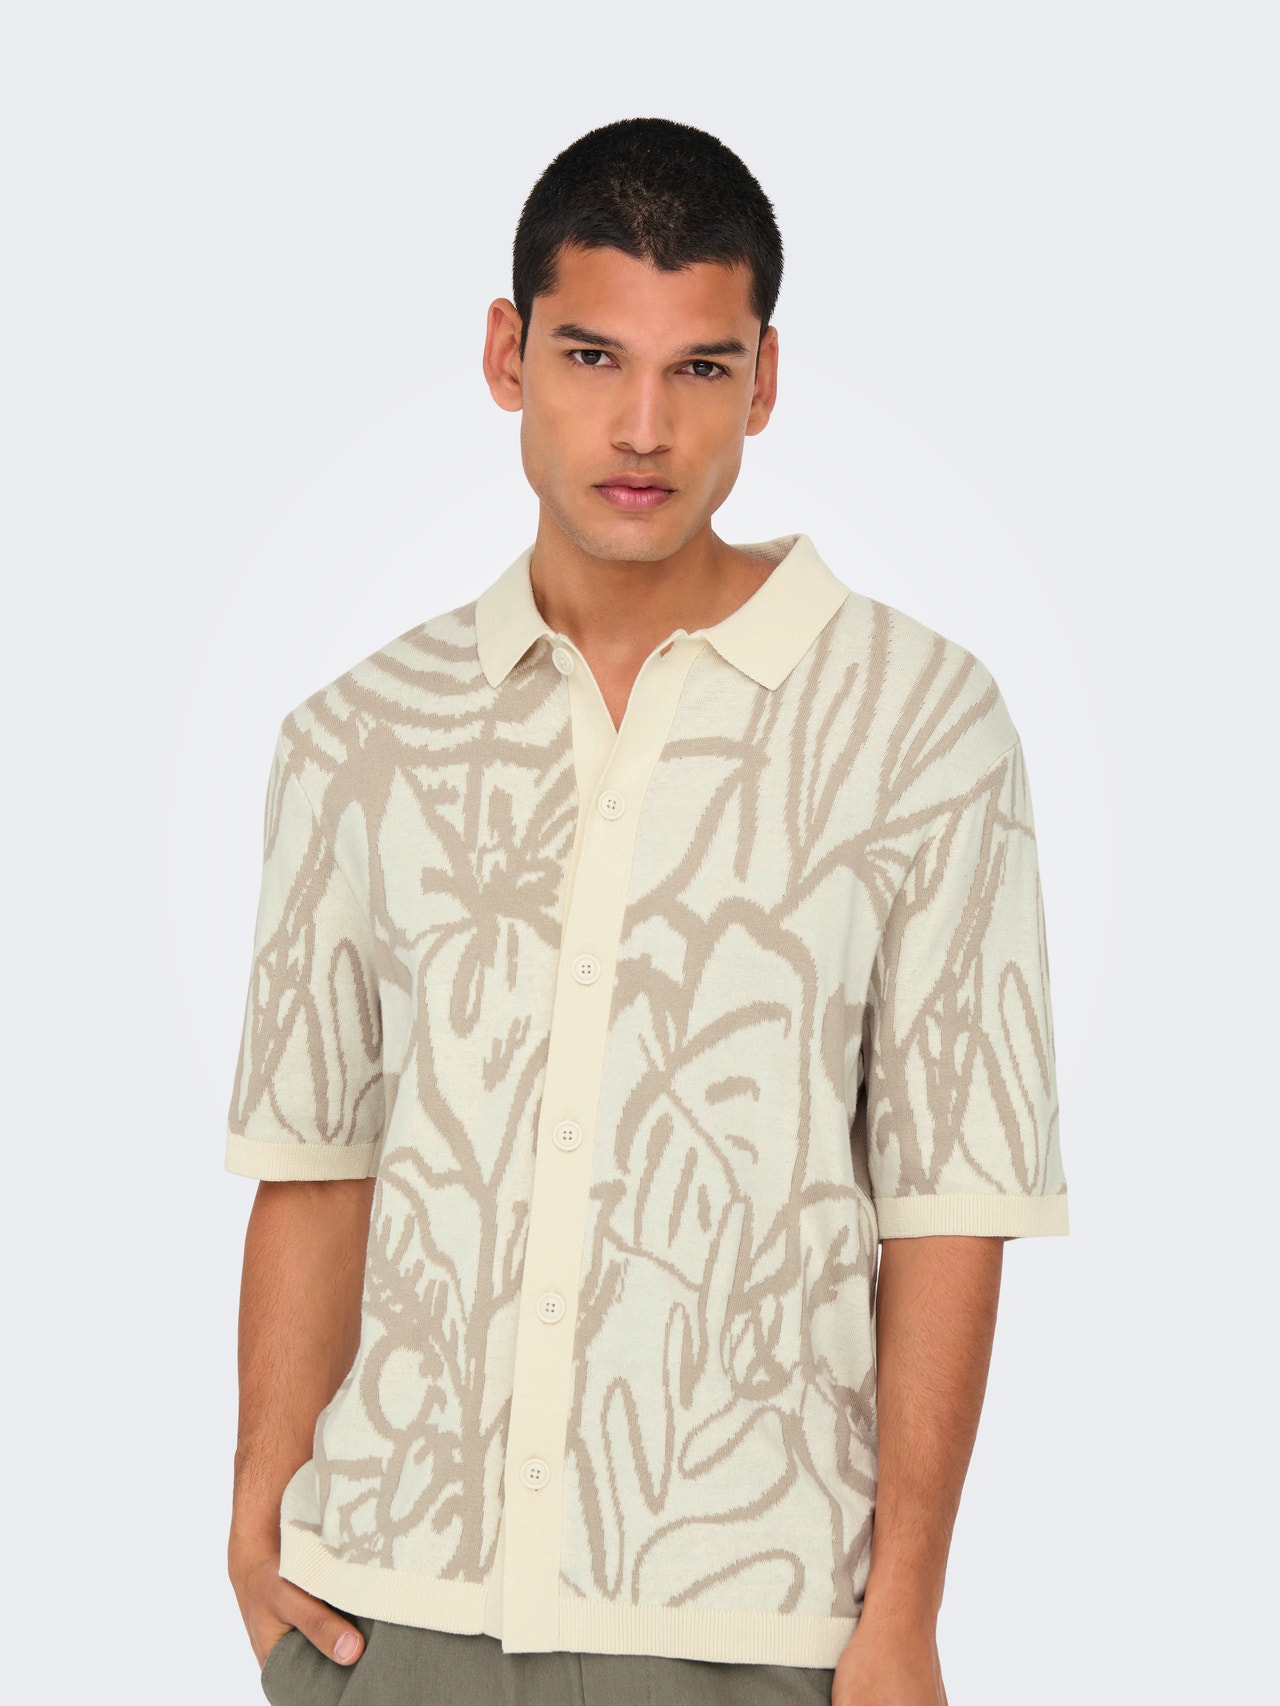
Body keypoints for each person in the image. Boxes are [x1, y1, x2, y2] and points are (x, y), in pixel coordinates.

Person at [225, 116, 1069, 1706]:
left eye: (699, 368)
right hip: (389, 1610)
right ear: (508, 352)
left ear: (763, 380)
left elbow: (948, 1194)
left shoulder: (919, 724)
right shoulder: (359, 736)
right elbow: (317, 1158)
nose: (641, 424)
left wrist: (903, 1609)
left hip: (752, 1629)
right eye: (592, 355)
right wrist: (259, 1516)